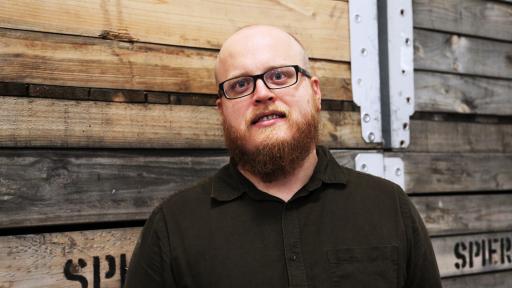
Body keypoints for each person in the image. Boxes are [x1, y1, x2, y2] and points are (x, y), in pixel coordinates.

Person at [125, 25, 442, 287]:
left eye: (279, 76)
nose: (262, 93)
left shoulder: (388, 207)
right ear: (222, 110)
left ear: (315, 92)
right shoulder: (173, 227)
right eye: (240, 84)